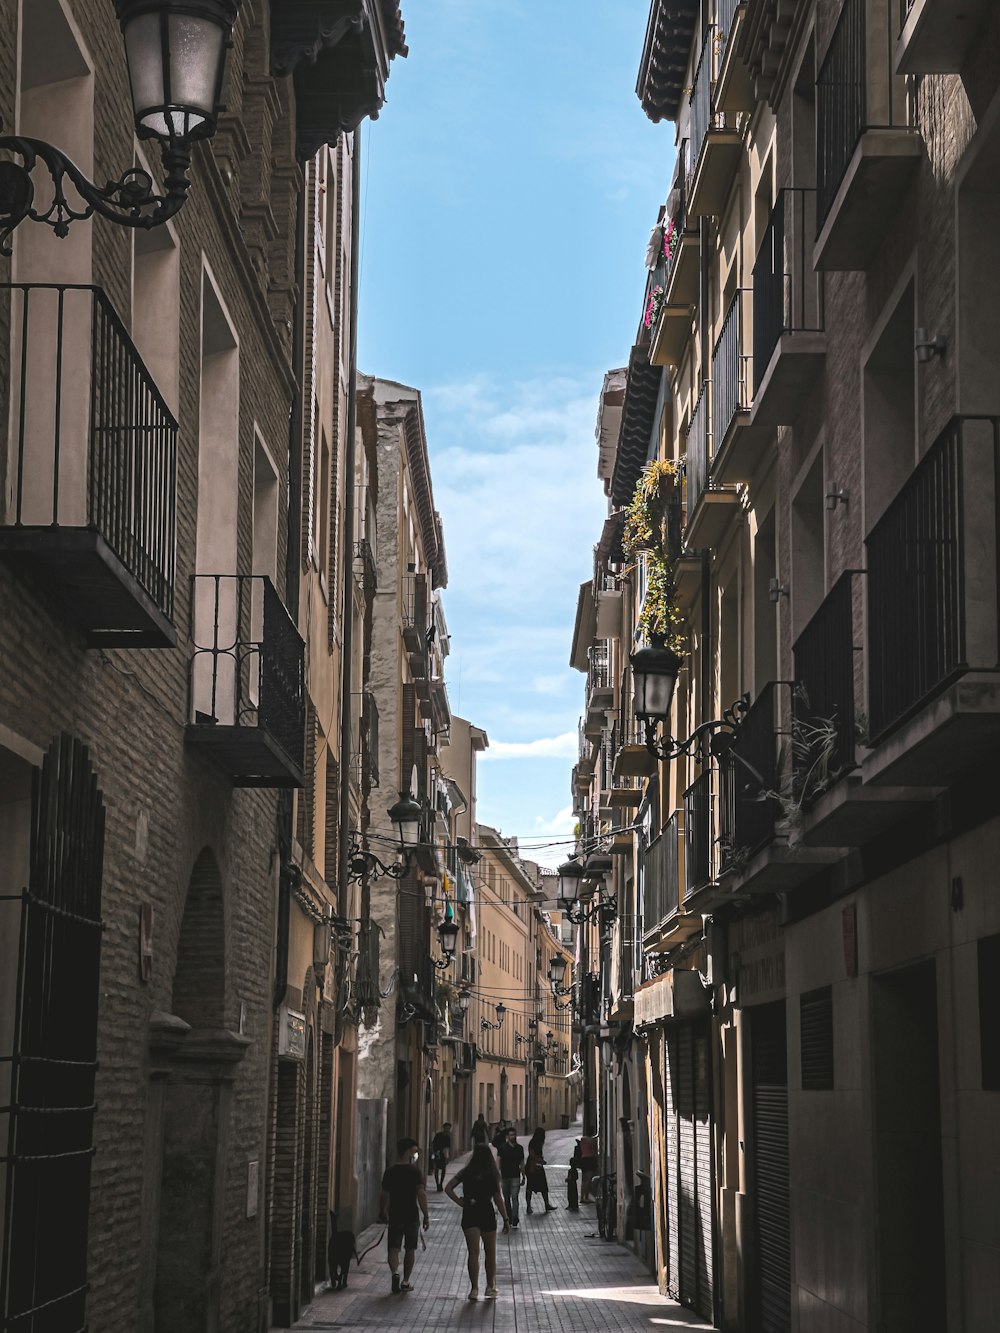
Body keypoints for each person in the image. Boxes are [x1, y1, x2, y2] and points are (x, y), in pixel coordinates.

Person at [445, 1142, 510, 1300]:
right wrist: (506, 1218)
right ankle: (490, 1287)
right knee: (490, 1253)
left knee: (473, 1253)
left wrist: (460, 1202)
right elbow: (498, 1199)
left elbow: (448, 1187)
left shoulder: (466, 1172)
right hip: (486, 1213)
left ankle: (474, 1289)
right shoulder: (492, 1173)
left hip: (470, 1213)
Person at [378, 1137, 430, 1294]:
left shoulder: (390, 1171)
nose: (415, 1154)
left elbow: (384, 1195)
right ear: (407, 1152)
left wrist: (382, 1211)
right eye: (414, 1151)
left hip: (395, 1215)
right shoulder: (415, 1171)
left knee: (393, 1249)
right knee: (410, 1249)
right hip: (411, 1216)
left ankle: (395, 1273)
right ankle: (406, 1281)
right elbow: (421, 1194)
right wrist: (426, 1215)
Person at [496, 1125, 526, 1228]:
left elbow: (522, 1163)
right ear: (507, 1136)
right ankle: (508, 1217)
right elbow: (499, 1160)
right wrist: (498, 1173)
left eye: (514, 1135)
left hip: (515, 1176)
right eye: (511, 1135)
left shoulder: (519, 1148)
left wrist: (523, 1174)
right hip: (504, 1176)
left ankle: (515, 1217)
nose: (513, 1136)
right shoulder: (502, 1147)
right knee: (507, 1199)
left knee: (515, 1197)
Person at [524, 1127, 556, 1213]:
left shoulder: (537, 1142)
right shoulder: (534, 1142)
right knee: (532, 1186)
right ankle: (530, 1206)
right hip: (533, 1166)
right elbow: (531, 1154)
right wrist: (540, 1160)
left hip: (535, 1165)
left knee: (539, 1186)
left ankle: (544, 1204)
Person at [430, 1121, 452, 1191]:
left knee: (443, 1169)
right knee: (436, 1169)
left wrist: (447, 1157)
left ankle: (441, 1183)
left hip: (443, 1155)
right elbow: (433, 1144)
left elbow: (448, 1148)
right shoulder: (438, 1135)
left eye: (449, 1128)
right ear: (444, 1128)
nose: (448, 1130)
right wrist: (433, 1153)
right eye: (447, 1128)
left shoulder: (448, 1137)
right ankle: (437, 1184)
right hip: (437, 1153)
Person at [579, 1132, 597, 1203]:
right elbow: (593, 1150)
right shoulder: (591, 1140)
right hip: (590, 1160)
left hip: (583, 1159)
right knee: (588, 1180)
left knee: (583, 1180)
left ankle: (581, 1197)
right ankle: (586, 1197)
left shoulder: (582, 1140)